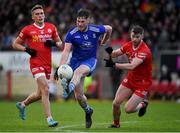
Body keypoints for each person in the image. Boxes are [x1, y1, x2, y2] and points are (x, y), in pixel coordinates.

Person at [55, 8, 112, 128]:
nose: (79, 24)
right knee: (79, 97)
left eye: (82, 21)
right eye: (78, 21)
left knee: (78, 72)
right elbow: (66, 52)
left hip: (89, 61)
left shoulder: (95, 29)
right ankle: (88, 110)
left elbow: (109, 28)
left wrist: (104, 40)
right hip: (75, 62)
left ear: (88, 21)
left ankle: (67, 89)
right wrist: (60, 67)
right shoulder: (72, 33)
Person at [12, 4, 63, 127]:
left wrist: (54, 44)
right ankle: (49, 119)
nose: (40, 15)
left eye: (41, 13)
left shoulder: (51, 27)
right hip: (36, 63)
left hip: (47, 65)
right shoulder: (27, 29)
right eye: (37, 14)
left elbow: (61, 44)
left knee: (40, 94)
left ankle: (22, 104)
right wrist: (26, 49)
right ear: (33, 17)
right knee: (46, 89)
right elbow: (15, 44)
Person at [104, 25, 152, 128]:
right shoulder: (129, 45)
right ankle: (116, 124)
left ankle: (143, 104)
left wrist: (114, 65)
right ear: (130, 34)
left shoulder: (145, 51)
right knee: (116, 103)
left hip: (142, 83)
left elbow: (132, 66)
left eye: (137, 37)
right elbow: (115, 54)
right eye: (133, 36)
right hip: (131, 79)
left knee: (128, 109)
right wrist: (109, 51)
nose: (134, 39)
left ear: (142, 36)